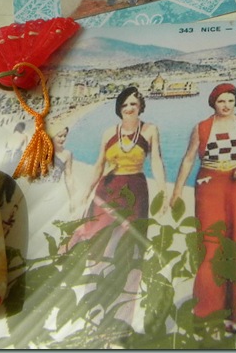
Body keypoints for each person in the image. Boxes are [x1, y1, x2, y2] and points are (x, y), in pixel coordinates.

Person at [64, 87, 167, 325]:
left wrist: (163, 191)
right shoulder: (109, 132)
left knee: (130, 247)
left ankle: (122, 314)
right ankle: (92, 303)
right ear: (119, 108)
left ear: (140, 106)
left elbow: (156, 161)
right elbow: (99, 164)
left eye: (133, 104)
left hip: (135, 191)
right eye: (124, 105)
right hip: (108, 190)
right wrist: (86, 192)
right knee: (100, 243)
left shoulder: (150, 130)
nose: (129, 109)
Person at [170, 83, 236, 331]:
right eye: (221, 101)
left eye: (230, 100)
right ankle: (208, 313)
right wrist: (177, 191)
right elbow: (189, 159)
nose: (226, 105)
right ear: (213, 103)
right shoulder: (202, 127)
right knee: (211, 245)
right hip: (210, 185)